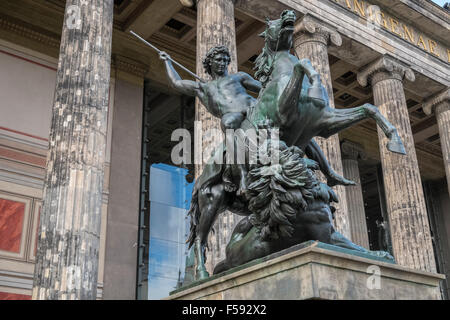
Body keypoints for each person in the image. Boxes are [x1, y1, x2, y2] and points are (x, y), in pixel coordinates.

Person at [160, 46, 262, 196]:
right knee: (228, 123)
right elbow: (176, 82)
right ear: (210, 63)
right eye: (219, 60)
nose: (223, 63)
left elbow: (263, 89)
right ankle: (242, 175)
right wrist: (167, 62)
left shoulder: (239, 77)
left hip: (253, 109)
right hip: (233, 116)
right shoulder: (203, 88)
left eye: (226, 60)